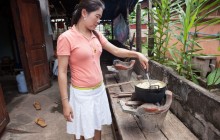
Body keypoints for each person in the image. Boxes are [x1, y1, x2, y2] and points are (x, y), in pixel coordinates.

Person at [57, 0, 149, 140]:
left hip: (98, 91)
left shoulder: (97, 35)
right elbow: (62, 72)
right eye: (97, 16)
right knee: (81, 131)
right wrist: (65, 103)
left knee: (97, 127)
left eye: (100, 17)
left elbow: (116, 51)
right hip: (81, 95)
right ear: (84, 13)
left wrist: (137, 54)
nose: (98, 21)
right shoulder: (66, 38)